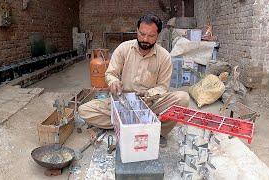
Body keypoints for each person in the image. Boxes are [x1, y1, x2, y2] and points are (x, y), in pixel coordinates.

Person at [78, 14, 190, 147]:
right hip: (122, 103)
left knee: (182, 98)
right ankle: (134, 123)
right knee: (84, 110)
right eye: (142, 34)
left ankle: (158, 131)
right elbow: (111, 73)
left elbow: (162, 87)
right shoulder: (123, 48)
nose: (145, 39)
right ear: (137, 31)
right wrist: (113, 82)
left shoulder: (164, 57)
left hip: (149, 103)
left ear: (158, 35)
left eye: (151, 36)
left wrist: (148, 94)